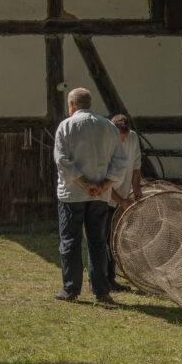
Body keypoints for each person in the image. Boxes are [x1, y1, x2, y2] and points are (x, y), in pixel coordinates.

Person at [53, 88, 130, 304]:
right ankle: (101, 291)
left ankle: (71, 289)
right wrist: (103, 185)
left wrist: (84, 183)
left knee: (70, 240)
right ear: (89, 103)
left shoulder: (66, 126)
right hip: (100, 195)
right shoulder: (108, 126)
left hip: (72, 194)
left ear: (71, 105)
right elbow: (120, 161)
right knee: (97, 242)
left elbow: (62, 161)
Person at [104, 114, 145, 291]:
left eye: (125, 135)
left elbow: (136, 166)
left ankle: (111, 279)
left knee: (114, 237)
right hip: (104, 198)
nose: (123, 139)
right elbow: (103, 181)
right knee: (103, 238)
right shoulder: (105, 140)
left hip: (122, 195)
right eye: (120, 135)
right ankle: (102, 279)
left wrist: (137, 190)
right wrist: (121, 201)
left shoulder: (133, 137)